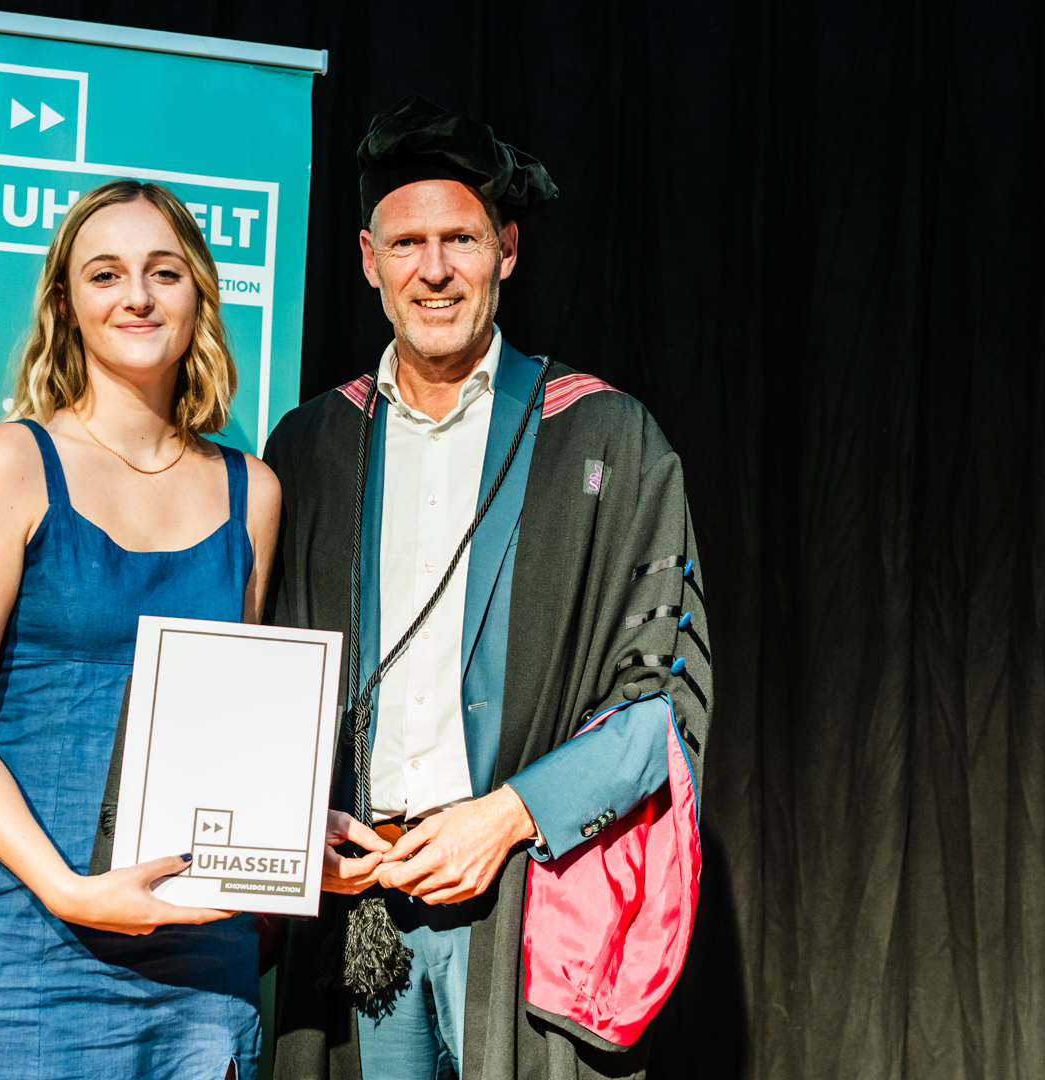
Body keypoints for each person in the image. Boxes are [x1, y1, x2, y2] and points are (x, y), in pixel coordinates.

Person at [264, 97, 713, 1080]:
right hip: (356, 908)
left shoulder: (605, 438)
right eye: (407, 242)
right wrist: (293, 826)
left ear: (506, 249)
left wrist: (507, 813)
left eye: (460, 239)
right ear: (368, 258)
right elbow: (262, 688)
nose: (434, 269)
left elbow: (662, 707)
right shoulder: (309, 449)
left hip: (523, 901)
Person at [0, 178, 280, 1080]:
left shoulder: (253, 492)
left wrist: (293, 828)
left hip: (196, 952)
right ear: (66, 305)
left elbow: (234, 726)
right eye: (106, 274)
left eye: (164, 272)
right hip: (18, 943)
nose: (137, 297)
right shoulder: (9, 464)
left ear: (199, 294)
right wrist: (69, 889)